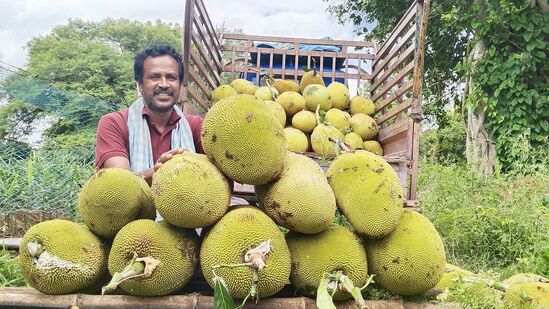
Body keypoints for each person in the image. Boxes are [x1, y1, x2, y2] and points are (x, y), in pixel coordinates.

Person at [95, 44, 203, 184]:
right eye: (154, 77)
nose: (164, 84)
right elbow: (120, 182)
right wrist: (157, 173)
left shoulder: (194, 126)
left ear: (179, 85)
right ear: (140, 85)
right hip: (137, 206)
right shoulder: (114, 124)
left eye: (171, 78)